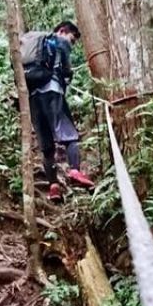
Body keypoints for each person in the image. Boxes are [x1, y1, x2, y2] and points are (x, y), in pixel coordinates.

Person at [25, 20, 95, 203]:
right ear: (63, 31)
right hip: (53, 93)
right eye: (72, 40)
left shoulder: (35, 45)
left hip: (32, 98)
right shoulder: (59, 40)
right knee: (70, 135)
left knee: (47, 146)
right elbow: (66, 70)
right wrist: (67, 74)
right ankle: (75, 171)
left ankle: (53, 186)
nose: (71, 44)